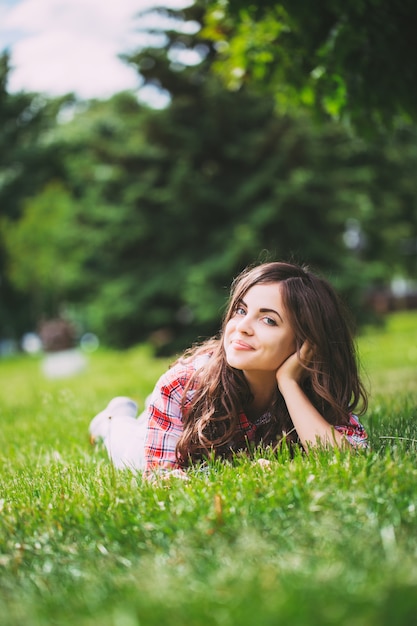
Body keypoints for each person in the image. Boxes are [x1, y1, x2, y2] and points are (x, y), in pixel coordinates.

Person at [89, 261, 368, 477]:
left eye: (268, 320)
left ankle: (147, 412)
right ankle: (112, 419)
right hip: (177, 411)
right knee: (131, 453)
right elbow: (162, 475)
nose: (243, 327)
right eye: (241, 310)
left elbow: (345, 461)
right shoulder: (183, 384)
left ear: (306, 343)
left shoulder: (315, 388)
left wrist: (289, 383)